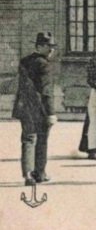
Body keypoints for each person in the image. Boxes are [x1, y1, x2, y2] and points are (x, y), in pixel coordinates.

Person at [13, 32, 59, 186]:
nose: (52, 50)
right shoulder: (44, 64)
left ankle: (28, 175)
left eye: (53, 47)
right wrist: (51, 113)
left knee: (28, 139)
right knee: (42, 140)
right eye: (49, 47)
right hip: (40, 108)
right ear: (39, 46)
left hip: (24, 106)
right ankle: (39, 173)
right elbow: (46, 92)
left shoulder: (25, 61)